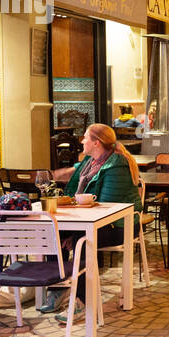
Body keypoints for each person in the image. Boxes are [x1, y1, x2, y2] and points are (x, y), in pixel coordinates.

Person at [44, 123, 142, 322]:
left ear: (96, 143)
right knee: (52, 232)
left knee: (83, 238)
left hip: (121, 225)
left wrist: (74, 234)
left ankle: (81, 301)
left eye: (86, 138)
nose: (82, 141)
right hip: (92, 221)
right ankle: (59, 288)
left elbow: (106, 208)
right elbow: (73, 188)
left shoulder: (117, 165)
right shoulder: (90, 161)